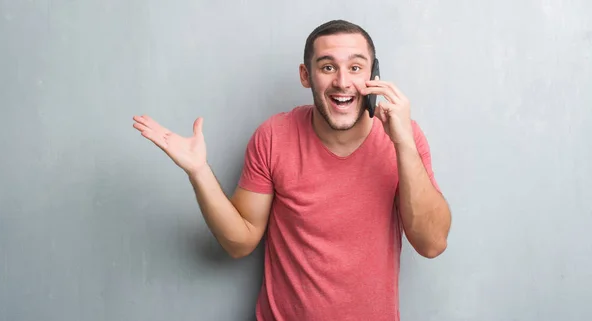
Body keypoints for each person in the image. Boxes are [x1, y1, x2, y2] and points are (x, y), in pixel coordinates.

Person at [133, 19, 451, 321]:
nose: (342, 81)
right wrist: (199, 171)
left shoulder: (404, 138)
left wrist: (404, 144)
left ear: (374, 75)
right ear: (305, 75)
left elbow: (432, 243)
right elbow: (239, 241)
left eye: (355, 67)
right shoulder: (273, 137)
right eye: (328, 67)